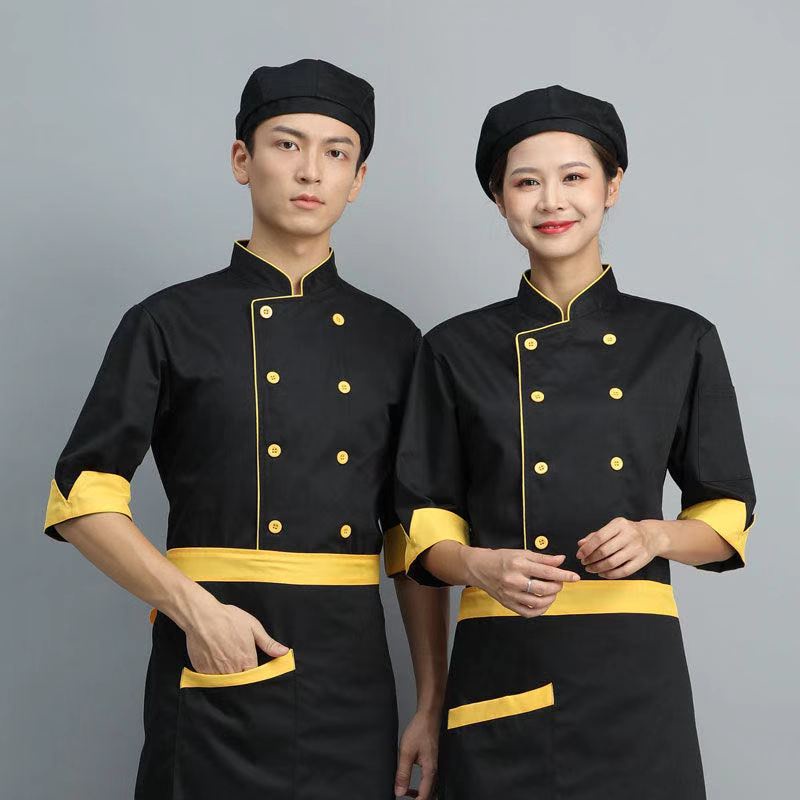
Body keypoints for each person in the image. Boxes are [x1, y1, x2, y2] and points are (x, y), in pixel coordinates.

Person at [43, 59, 446, 800]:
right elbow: (81, 498)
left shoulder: (395, 340)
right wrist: (193, 609)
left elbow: (413, 539)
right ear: (241, 159)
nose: (311, 171)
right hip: (213, 653)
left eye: (336, 153)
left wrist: (430, 701)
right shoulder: (168, 322)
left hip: (350, 679)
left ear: (357, 179)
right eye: (286, 144)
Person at [394, 84, 756, 799]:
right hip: (504, 662)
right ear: (499, 198)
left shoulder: (679, 339)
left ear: (612, 186)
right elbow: (422, 520)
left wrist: (655, 536)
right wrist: (478, 565)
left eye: (574, 177)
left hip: (636, 676)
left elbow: (727, 511)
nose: (551, 201)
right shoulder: (454, 348)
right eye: (526, 182)